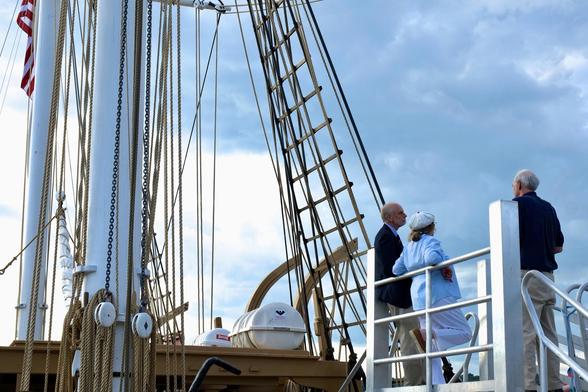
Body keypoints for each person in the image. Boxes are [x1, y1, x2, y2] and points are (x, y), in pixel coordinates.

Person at [393, 211, 471, 385]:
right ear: (431, 227)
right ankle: (432, 334)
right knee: (465, 332)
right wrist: (443, 261)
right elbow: (432, 257)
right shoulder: (430, 241)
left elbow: (396, 270)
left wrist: (414, 268)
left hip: (418, 298)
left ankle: (436, 383)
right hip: (437, 294)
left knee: (431, 349)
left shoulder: (409, 247)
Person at [512, 169, 564, 392]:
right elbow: (558, 246)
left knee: (525, 332)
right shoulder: (548, 207)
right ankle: (553, 384)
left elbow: (508, 240)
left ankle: (527, 385)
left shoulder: (516, 205)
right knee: (549, 334)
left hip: (526, 276)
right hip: (547, 278)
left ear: (519, 185)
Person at [374, 202, 425, 385]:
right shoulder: (385, 238)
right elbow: (391, 268)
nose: (405, 215)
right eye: (400, 213)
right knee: (409, 335)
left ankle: (419, 380)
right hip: (397, 294)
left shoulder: (392, 236)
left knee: (414, 334)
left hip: (402, 293)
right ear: (389, 218)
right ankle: (414, 382)